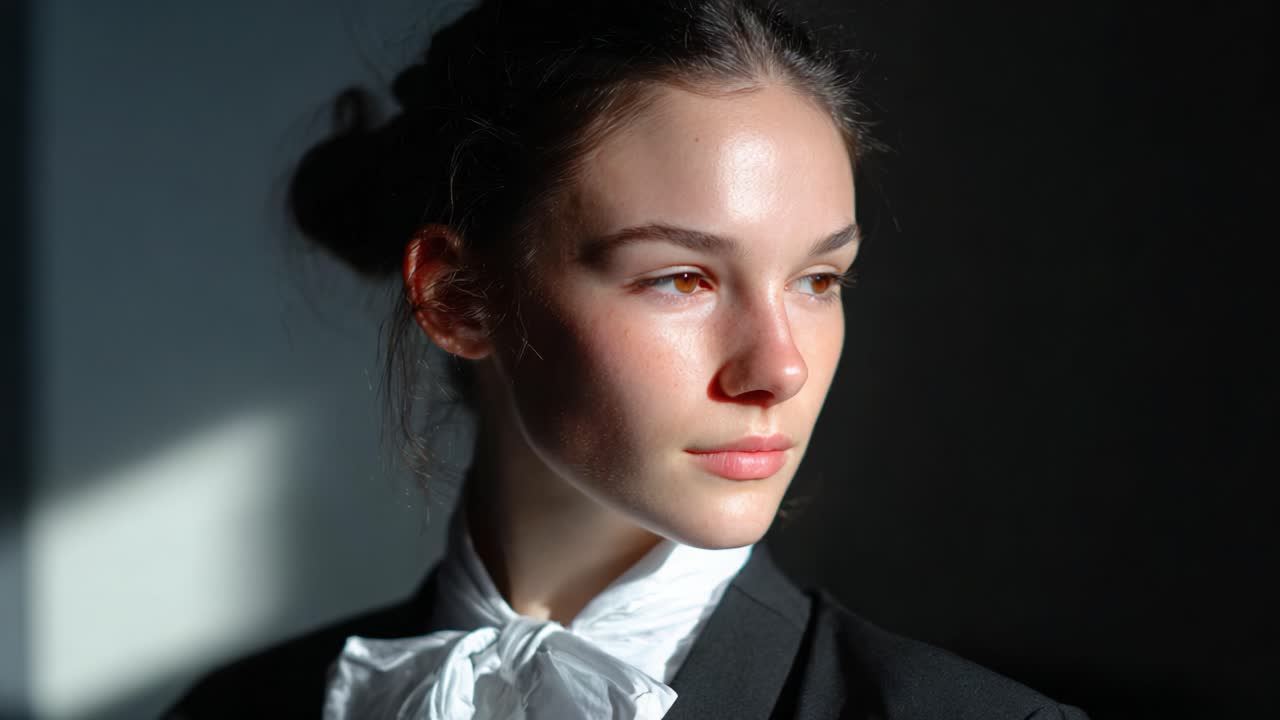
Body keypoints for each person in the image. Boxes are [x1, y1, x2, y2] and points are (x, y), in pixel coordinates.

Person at [170, 0, 1089, 717]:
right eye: (683, 279)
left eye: (818, 280)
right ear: (457, 297)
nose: (780, 368)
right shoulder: (235, 711)